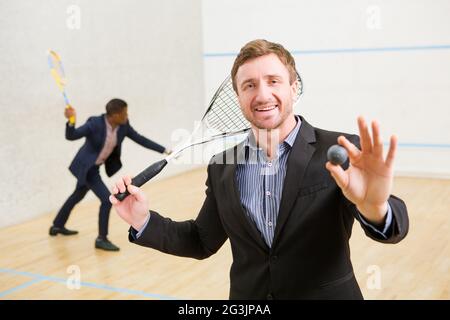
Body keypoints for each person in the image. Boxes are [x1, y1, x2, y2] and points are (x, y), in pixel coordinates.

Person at [110, 40, 409, 298]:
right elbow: (201, 240)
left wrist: (376, 208)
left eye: (273, 81)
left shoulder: (338, 150)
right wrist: (143, 220)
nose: (262, 95)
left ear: (294, 88)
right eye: (249, 85)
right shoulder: (221, 168)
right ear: (239, 97)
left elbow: (393, 230)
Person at [50, 98, 171, 252]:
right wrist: (71, 119)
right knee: (107, 201)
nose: (127, 116)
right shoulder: (94, 124)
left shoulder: (123, 126)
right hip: (85, 168)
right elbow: (72, 135)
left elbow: (140, 139)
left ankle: (57, 226)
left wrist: (165, 150)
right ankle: (101, 239)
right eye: (124, 113)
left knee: (77, 195)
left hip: (94, 168)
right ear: (114, 115)